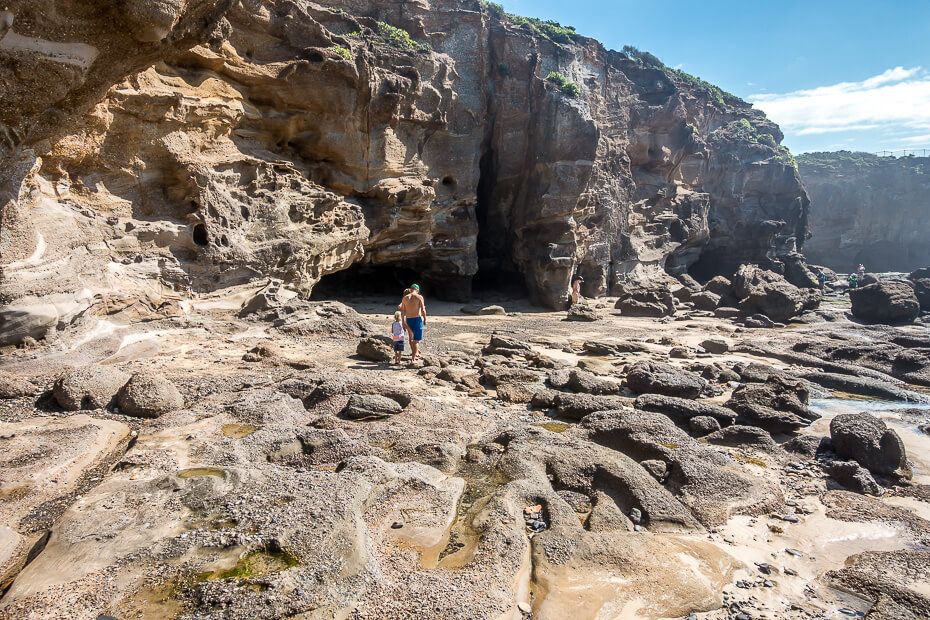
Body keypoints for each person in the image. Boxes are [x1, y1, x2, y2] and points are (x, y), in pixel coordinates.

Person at [398, 284, 426, 363]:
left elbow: (402, 311)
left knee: (411, 337)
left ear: (410, 289)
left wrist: (403, 322)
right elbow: (423, 310)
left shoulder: (405, 298)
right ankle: (414, 357)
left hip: (408, 319)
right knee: (416, 339)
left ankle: (414, 352)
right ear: (417, 290)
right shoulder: (419, 297)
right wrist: (425, 319)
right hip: (417, 319)